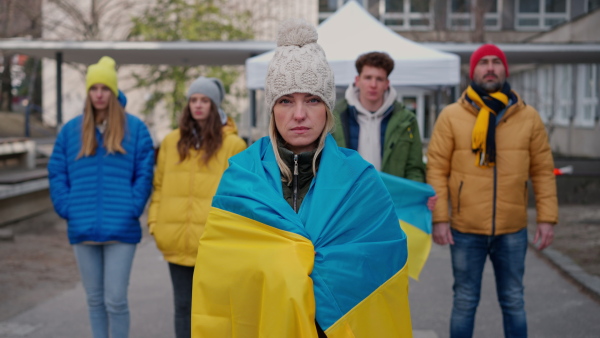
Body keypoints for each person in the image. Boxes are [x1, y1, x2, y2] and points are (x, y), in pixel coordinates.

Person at [191, 19, 412, 337]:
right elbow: (221, 271)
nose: (298, 114)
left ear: (327, 108)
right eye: (285, 100)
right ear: (272, 110)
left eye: (311, 99)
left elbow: (382, 264)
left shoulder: (360, 181)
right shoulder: (241, 178)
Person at [427, 44, 558, 338]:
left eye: (496, 62)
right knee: (464, 301)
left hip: (512, 229)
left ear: (505, 69)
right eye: (483, 62)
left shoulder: (528, 117)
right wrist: (440, 219)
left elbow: (542, 171)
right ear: (472, 71)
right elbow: (437, 169)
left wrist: (548, 217)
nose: (489, 68)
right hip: (464, 228)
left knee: (513, 301)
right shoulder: (451, 116)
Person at [48, 56, 155, 338]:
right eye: (93, 88)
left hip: (121, 229)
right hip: (82, 227)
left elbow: (145, 173)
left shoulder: (135, 129)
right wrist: (66, 206)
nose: (98, 94)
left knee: (115, 300)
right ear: (88, 92)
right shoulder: (71, 131)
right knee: (94, 300)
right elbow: (57, 171)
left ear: (113, 91)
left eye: (104, 88)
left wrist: (133, 206)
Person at [148, 76, 246, 338]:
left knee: (213, 311)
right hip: (176, 241)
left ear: (214, 105)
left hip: (213, 244)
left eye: (204, 100)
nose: (198, 105)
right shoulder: (171, 141)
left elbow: (240, 197)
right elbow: (158, 186)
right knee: (182, 307)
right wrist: (155, 224)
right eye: (193, 99)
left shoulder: (233, 145)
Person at [331, 51, 436, 209]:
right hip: (347, 205)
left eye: (379, 79)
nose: (373, 84)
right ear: (357, 80)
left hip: (390, 206)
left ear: (387, 83)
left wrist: (417, 197)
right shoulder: (335, 117)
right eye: (368, 78)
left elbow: (414, 168)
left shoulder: (406, 120)